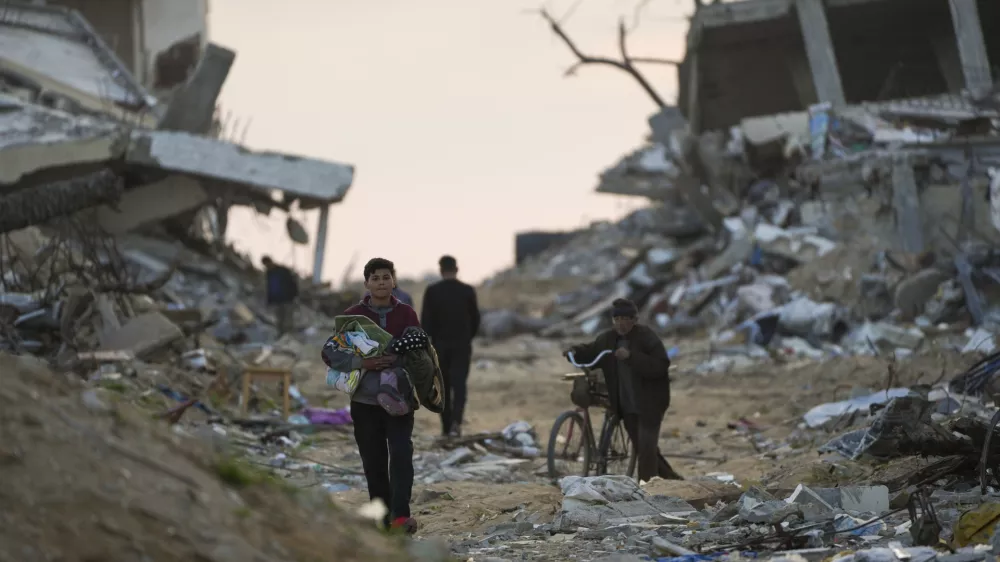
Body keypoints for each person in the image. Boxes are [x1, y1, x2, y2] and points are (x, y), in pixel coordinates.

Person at [322, 257, 421, 534]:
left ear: (394, 281)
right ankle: (381, 518)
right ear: (367, 283)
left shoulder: (407, 315)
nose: (381, 282)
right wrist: (363, 363)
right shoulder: (352, 315)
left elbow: (422, 352)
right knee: (373, 461)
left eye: (386, 277)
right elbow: (330, 353)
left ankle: (401, 518)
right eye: (375, 278)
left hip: (399, 400)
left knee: (401, 455)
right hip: (365, 401)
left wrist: (401, 358)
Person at [564, 298, 683, 483]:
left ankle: (646, 489)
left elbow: (661, 365)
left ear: (634, 319)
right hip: (626, 405)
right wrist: (574, 350)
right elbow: (591, 350)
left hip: (650, 403)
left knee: (646, 447)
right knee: (643, 447)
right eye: (617, 319)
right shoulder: (608, 339)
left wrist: (631, 357)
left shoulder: (646, 336)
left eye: (625, 319)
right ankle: (670, 477)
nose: (620, 323)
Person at [420, 255, 481, 438]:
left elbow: (425, 322)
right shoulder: (467, 291)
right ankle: (456, 423)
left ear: (440, 270)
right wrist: (467, 337)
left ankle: (446, 428)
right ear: (456, 269)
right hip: (462, 345)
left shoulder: (432, 291)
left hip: (440, 346)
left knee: (443, 387)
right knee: (460, 385)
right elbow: (476, 319)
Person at [261, 256, 298, 336]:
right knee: (279, 319)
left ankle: (288, 335)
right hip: (277, 300)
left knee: (287, 319)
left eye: (267, 264)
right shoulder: (269, 273)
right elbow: (270, 287)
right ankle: (281, 335)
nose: (267, 266)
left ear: (270, 262)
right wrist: (269, 300)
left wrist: (294, 296)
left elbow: (292, 283)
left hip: (287, 298)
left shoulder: (283, 271)